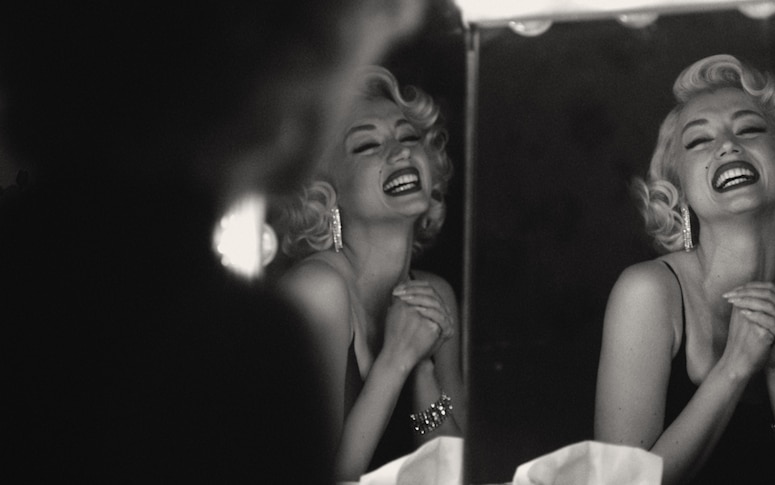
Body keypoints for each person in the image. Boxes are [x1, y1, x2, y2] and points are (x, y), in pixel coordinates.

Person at [1, 1, 429, 483]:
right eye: (331, 70)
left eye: (408, 134)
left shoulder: (39, 276)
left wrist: (426, 394)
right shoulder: (241, 342)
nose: (322, 110)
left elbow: (432, 441)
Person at [594, 54, 775, 484]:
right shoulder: (647, 293)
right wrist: (735, 366)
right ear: (679, 193)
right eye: (699, 140)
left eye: (750, 129)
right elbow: (618, 483)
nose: (728, 145)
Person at [268, 65, 464, 480]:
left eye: (409, 137)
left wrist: (423, 374)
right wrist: (394, 362)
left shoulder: (436, 295)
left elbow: (456, 469)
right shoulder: (317, 291)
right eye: (367, 145)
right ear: (324, 191)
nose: (400, 152)